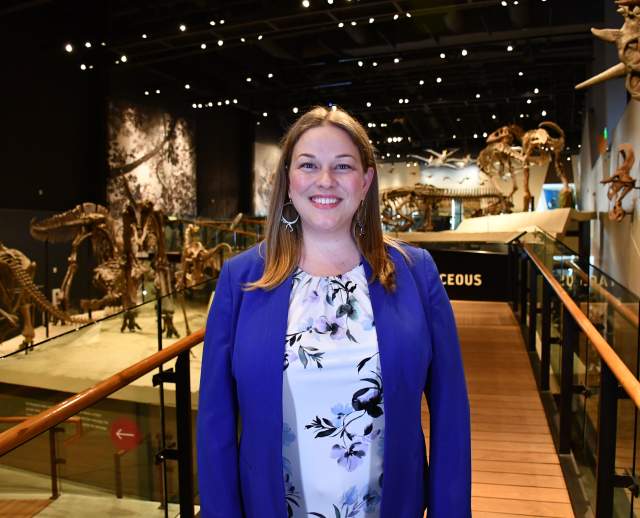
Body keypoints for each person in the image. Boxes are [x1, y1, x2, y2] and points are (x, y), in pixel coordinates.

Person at [197, 106, 471, 518]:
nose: (325, 181)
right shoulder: (241, 279)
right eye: (309, 165)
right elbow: (216, 422)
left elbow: (450, 412)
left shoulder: (417, 273)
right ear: (289, 179)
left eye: (342, 166)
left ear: (365, 181)